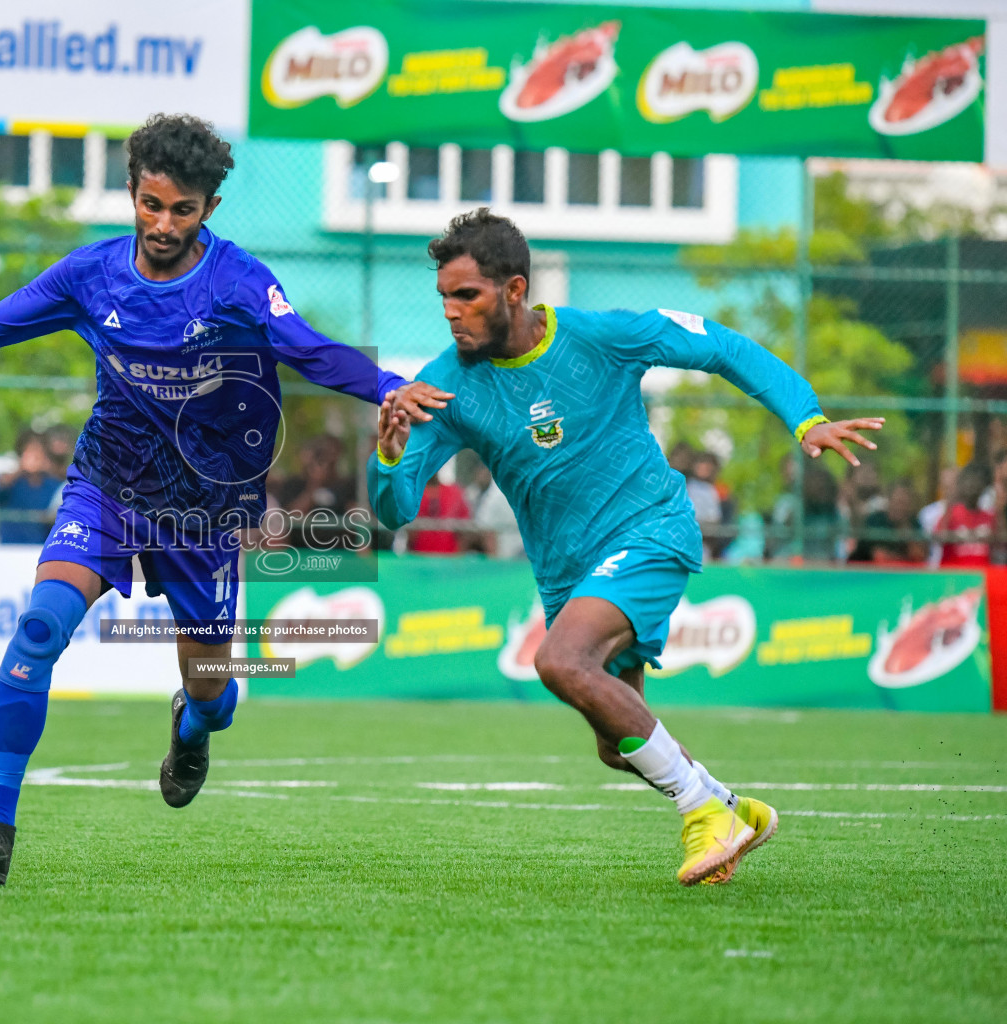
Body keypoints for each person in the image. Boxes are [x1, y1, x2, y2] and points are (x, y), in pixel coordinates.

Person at [0, 113, 445, 886]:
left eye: (181, 210)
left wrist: (389, 385)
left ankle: (193, 728)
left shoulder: (239, 282)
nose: (162, 223)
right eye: (151, 204)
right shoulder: (91, 275)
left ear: (208, 210)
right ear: (132, 192)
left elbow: (311, 351)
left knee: (213, 693)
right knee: (40, 627)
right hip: (108, 487)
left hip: (205, 512)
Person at [370, 210, 882, 886]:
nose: (451, 312)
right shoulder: (445, 384)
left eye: (467, 295)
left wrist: (805, 416)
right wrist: (388, 453)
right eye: (444, 297)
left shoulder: (600, 337)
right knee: (619, 746)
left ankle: (703, 811)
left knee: (561, 660)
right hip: (568, 575)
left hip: (650, 529)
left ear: (515, 289)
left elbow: (721, 346)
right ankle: (734, 809)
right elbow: (395, 511)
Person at [0, 432, 63, 545]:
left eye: (38, 452)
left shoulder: (53, 486)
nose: (35, 457)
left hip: (40, 548)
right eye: (30, 452)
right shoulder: (10, 482)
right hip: (9, 548)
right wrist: (20, 469)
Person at [933, 462, 993, 568]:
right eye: (969, 481)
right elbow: (939, 539)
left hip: (982, 577)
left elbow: (999, 547)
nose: (973, 486)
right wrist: (949, 504)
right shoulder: (951, 514)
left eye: (977, 481)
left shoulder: (990, 517)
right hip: (954, 577)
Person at [849, 480, 924, 564]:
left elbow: (918, 556)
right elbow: (880, 557)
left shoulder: (914, 523)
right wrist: (905, 559)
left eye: (905, 503)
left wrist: (906, 530)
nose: (901, 507)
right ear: (889, 500)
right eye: (898, 502)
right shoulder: (875, 521)